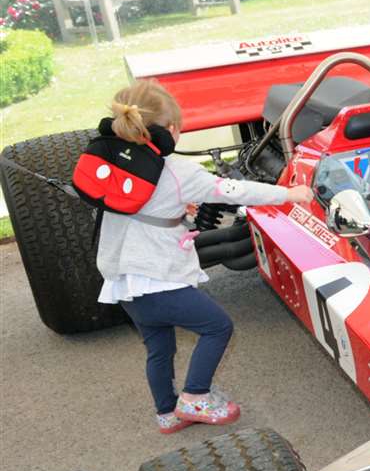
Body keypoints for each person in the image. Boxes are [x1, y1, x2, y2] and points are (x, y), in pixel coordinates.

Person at [95, 79, 312, 432]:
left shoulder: (115, 166)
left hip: (123, 282)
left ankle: (166, 413)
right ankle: (196, 395)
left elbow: (143, 210)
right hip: (157, 280)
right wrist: (290, 192)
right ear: (171, 131)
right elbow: (235, 190)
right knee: (217, 326)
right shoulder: (177, 171)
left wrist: (179, 212)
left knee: (159, 348)